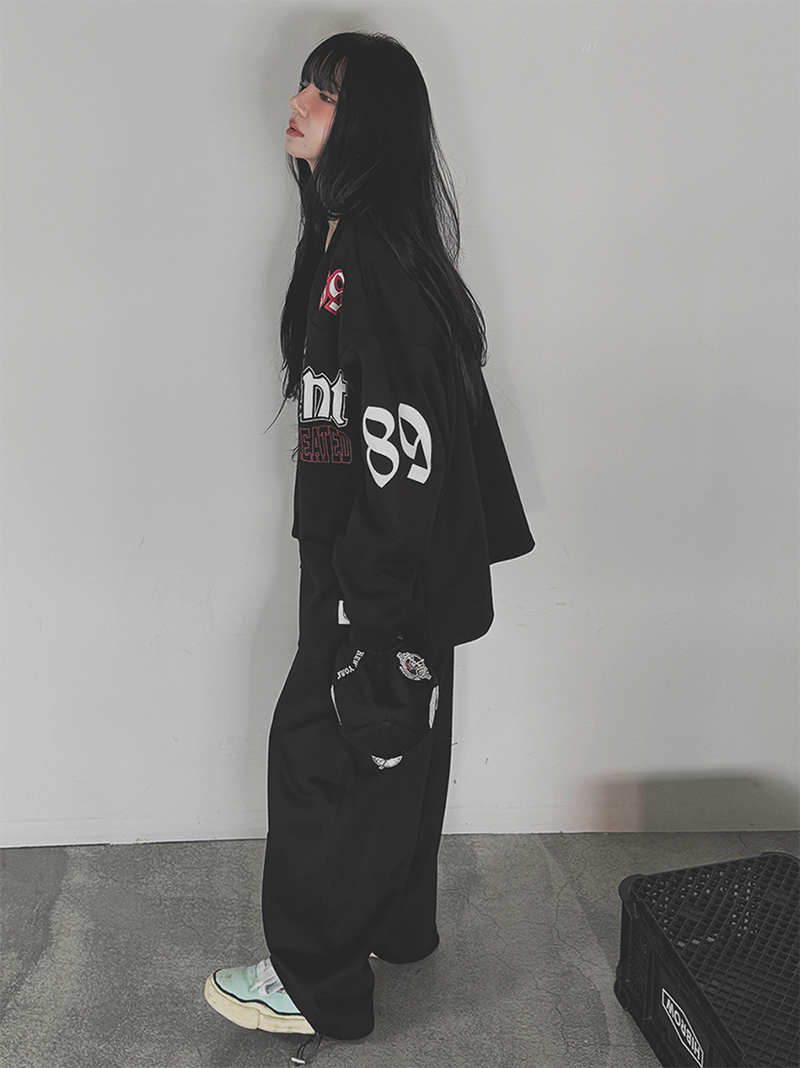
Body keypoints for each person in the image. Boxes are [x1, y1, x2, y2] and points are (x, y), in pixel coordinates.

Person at [203, 30, 534, 1046]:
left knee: (322, 756)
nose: (300, 102)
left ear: (372, 129)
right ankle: (395, 925)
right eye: (306, 84)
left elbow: (404, 452)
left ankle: (314, 984)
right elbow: (343, 420)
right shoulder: (355, 246)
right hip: (386, 560)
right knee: (398, 745)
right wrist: (337, 539)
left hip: (377, 566)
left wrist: (363, 598)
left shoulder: (368, 267)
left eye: (328, 95)